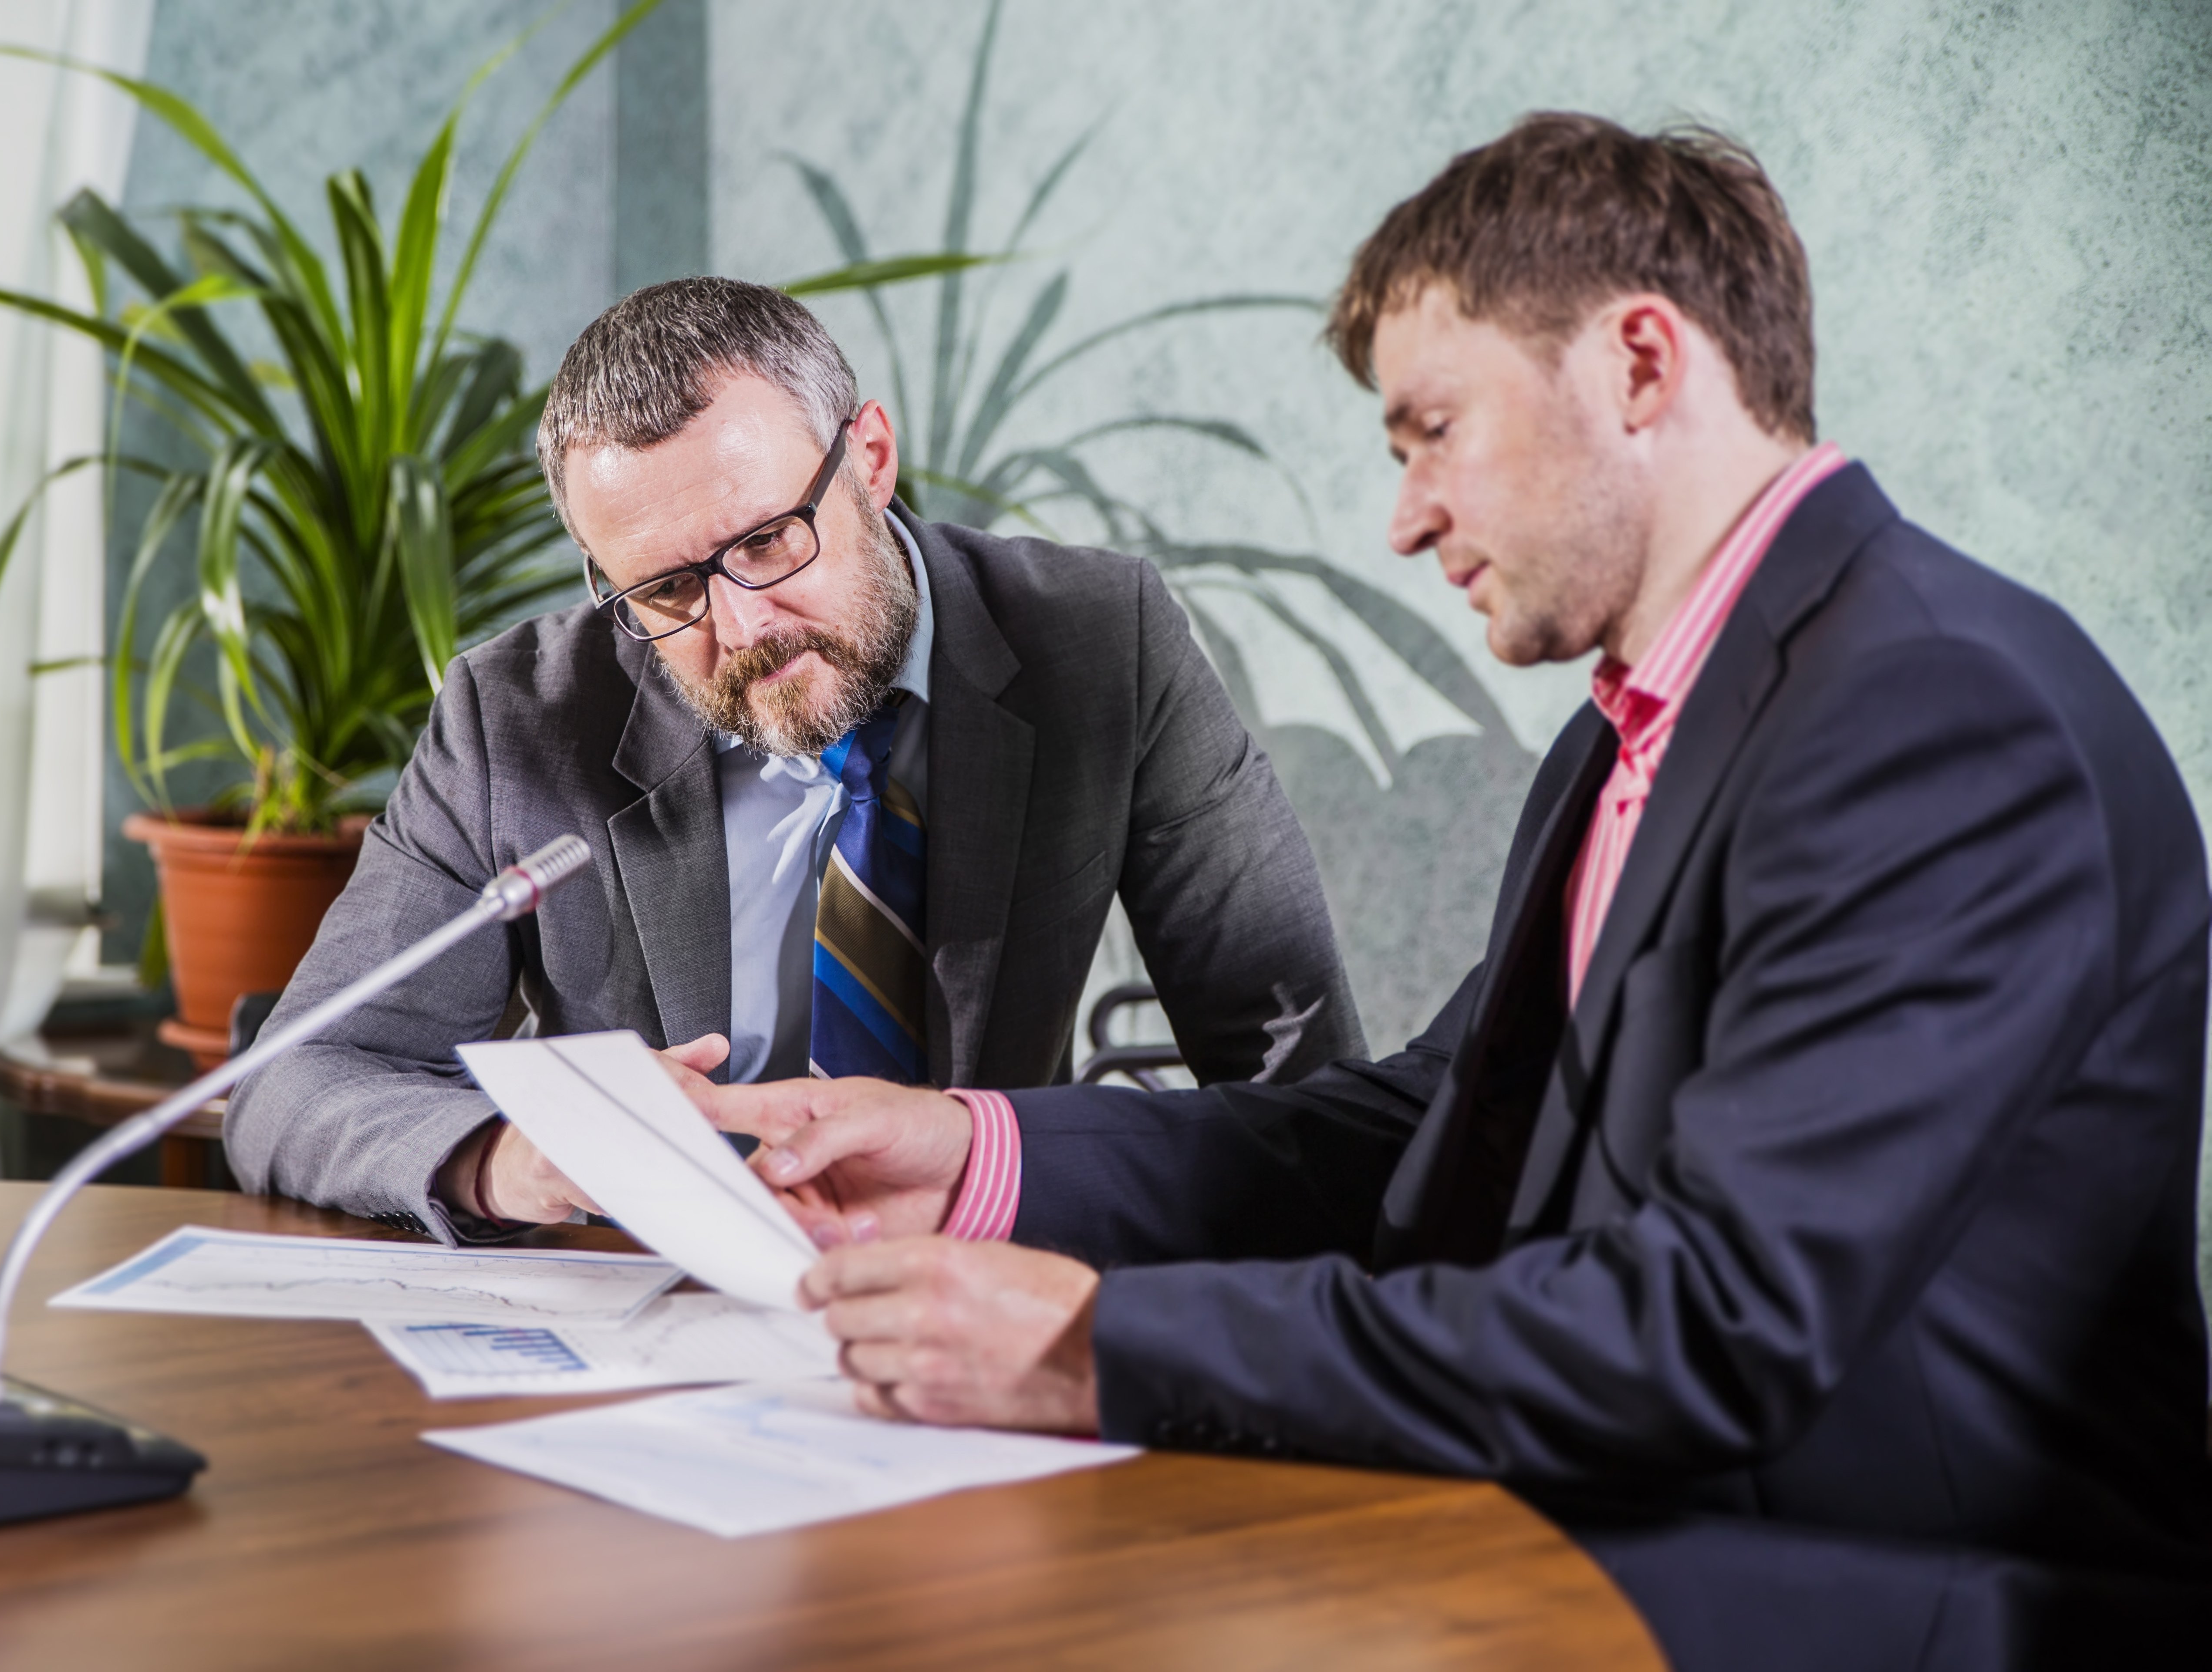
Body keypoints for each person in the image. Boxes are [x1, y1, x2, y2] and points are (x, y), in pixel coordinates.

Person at [705, 117, 2212, 1667]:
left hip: (1902, 1585)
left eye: (1433, 430)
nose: (1407, 517)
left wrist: (1098, 1346)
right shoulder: (1636, 728)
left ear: (1640, 365)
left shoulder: (1935, 714)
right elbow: (1423, 1126)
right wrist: (979, 1148)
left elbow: (1717, 1323)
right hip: (1641, 1507)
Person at [225, 277, 1363, 1244]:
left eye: (769, 540)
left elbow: (1297, 1076)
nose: (743, 622)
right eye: (667, 588)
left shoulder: (1098, 645)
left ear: (869, 456)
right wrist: (512, 1159)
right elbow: (293, 1085)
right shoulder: (516, 716)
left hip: (976, 1280)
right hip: (650, 1317)